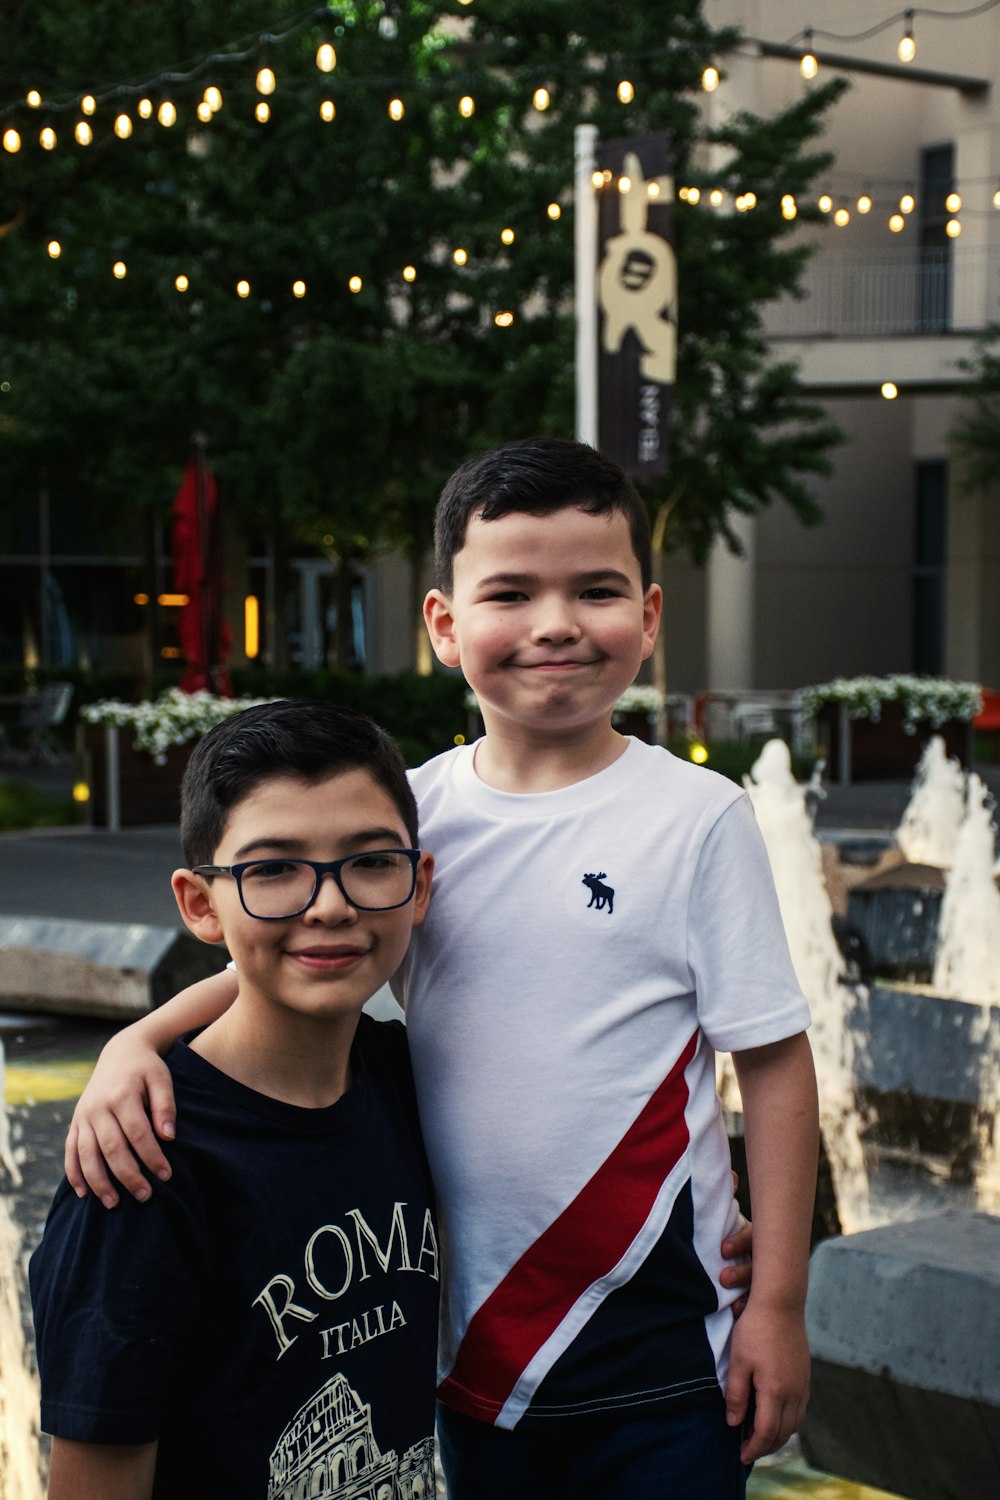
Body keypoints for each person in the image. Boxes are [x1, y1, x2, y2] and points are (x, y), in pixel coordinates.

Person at [65, 437, 815, 1500]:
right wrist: (136, 1043)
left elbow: (774, 1060)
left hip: (660, 1354)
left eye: (594, 590)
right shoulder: (414, 817)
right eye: (511, 592)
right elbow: (286, 957)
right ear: (445, 626)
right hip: (465, 1353)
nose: (555, 622)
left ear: (648, 616)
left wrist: (777, 1299)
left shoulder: (697, 818)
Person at [30, 701, 441, 1500]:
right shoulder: (141, 1166)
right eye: (273, 870)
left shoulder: (406, 1078)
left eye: (370, 861)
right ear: (199, 904)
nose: (330, 904)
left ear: (418, 884)